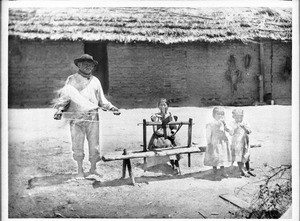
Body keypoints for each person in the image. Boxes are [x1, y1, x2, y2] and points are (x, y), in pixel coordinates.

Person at [53, 54, 120, 178]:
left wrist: (112, 107)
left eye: (90, 64)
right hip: (76, 116)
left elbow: (102, 100)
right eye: (84, 64)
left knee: (94, 144)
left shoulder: (95, 81)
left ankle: (93, 169)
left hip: (93, 117)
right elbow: (65, 97)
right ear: (78, 65)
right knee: (77, 144)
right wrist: (59, 110)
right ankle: (80, 170)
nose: (88, 66)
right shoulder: (72, 79)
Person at [146, 98, 181, 174]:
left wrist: (172, 133)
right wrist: (162, 133)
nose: (163, 107)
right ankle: (160, 165)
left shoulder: (170, 115)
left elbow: (174, 127)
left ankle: (175, 165)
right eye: (161, 105)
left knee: (174, 146)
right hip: (159, 137)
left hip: (169, 136)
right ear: (158, 106)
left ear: (167, 106)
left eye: (164, 105)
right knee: (165, 144)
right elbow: (155, 130)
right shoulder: (155, 116)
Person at [204, 107, 231, 179]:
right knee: (215, 156)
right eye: (218, 114)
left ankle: (223, 170)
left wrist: (225, 126)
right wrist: (209, 142)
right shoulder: (211, 124)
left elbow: (229, 131)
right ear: (214, 115)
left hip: (222, 142)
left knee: (222, 156)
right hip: (215, 142)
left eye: (222, 114)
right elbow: (208, 134)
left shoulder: (223, 123)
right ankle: (214, 170)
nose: (220, 116)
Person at [229, 108, 255, 177]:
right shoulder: (232, 123)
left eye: (240, 117)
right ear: (233, 117)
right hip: (237, 142)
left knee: (246, 155)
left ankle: (248, 169)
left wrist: (244, 128)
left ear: (242, 116)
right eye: (236, 117)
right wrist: (235, 128)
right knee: (238, 156)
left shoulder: (245, 122)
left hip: (244, 141)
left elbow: (249, 132)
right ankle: (242, 170)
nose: (238, 119)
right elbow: (231, 133)